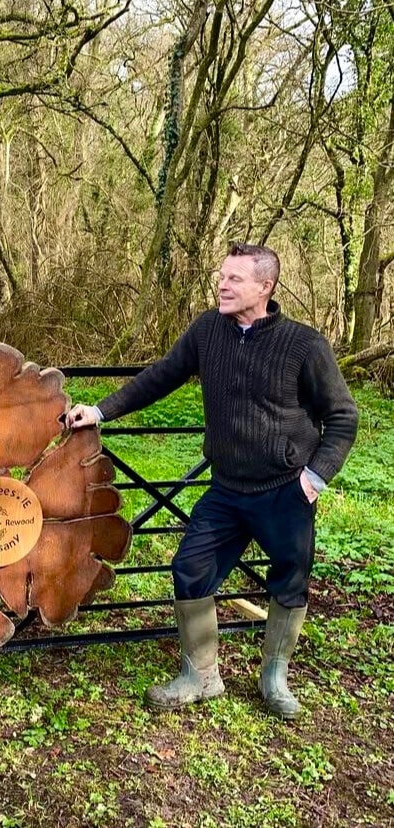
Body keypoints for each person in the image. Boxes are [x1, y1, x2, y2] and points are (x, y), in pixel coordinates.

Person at [66, 242, 358, 720]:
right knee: (190, 567)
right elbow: (160, 377)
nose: (222, 284)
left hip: (285, 490)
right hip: (226, 490)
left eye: (235, 279)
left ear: (265, 287)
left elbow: (343, 417)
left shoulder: (306, 345)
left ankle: (274, 677)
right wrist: (100, 411)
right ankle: (201, 675)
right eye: (221, 276)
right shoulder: (207, 331)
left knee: (290, 579)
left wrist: (314, 477)